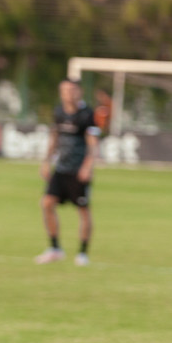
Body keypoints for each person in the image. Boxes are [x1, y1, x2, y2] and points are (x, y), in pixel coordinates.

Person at [35, 79, 100, 267]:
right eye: (64, 90)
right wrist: (46, 162)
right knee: (46, 203)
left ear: (78, 92)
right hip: (61, 169)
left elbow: (93, 143)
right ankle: (55, 248)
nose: (68, 94)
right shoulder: (59, 112)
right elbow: (54, 138)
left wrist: (88, 166)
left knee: (83, 211)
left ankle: (82, 253)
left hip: (78, 171)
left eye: (71, 90)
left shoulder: (87, 115)